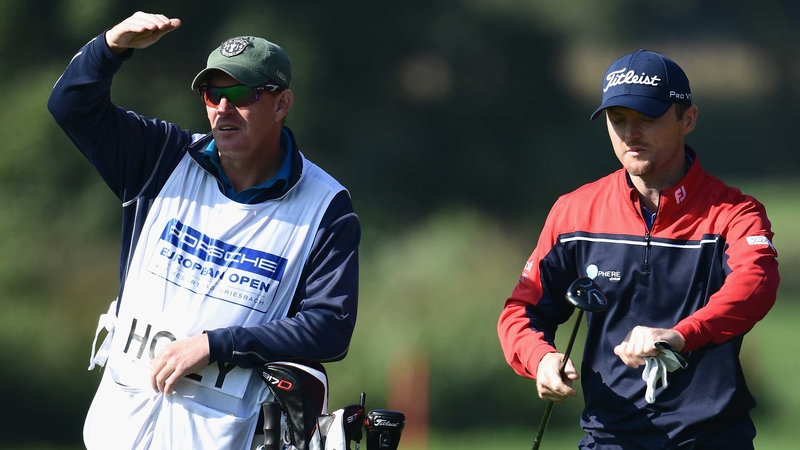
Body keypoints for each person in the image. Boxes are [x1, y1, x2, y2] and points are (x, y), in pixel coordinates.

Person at [47, 12, 360, 450]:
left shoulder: (327, 206)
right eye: (213, 93)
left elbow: (330, 325)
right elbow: (70, 106)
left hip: (223, 437)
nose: (224, 108)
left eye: (242, 93)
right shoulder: (161, 157)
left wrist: (217, 345)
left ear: (282, 104)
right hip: (118, 428)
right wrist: (111, 45)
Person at [497, 49, 780, 449]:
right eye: (618, 120)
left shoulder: (735, 212)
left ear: (688, 119)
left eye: (647, 119)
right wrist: (541, 360)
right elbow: (521, 312)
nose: (631, 134)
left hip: (712, 439)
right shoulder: (575, 211)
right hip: (609, 439)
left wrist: (679, 335)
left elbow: (756, 285)